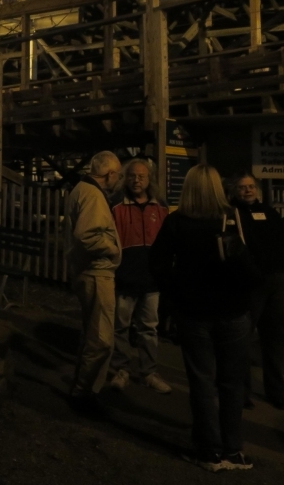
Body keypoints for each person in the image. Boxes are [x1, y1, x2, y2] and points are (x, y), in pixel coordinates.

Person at [150, 164, 256, 471]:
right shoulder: (232, 219)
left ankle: (209, 450)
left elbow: (157, 265)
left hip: (194, 311)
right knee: (232, 382)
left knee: (202, 381)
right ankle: (233, 449)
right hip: (233, 309)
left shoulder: (177, 222)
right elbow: (251, 266)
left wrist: (175, 294)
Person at [231, 173, 284, 410]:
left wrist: (279, 265)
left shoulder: (269, 212)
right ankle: (242, 392)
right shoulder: (231, 214)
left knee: (275, 338)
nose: (247, 190)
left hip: (274, 281)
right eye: (242, 187)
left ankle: (277, 391)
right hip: (250, 284)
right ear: (234, 190)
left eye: (250, 186)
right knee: (243, 340)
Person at [65, 150, 124, 408]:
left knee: (91, 335)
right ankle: (83, 393)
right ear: (109, 174)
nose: (118, 180)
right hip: (97, 272)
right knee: (101, 339)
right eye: (118, 175)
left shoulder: (81, 189)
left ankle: (85, 389)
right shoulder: (93, 195)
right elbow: (86, 235)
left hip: (88, 271)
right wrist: (112, 247)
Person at [108, 159, 172, 394]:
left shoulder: (161, 207)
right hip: (124, 278)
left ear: (149, 179)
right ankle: (120, 370)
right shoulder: (115, 205)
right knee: (120, 327)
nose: (137, 180)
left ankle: (149, 373)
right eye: (133, 176)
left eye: (141, 176)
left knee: (149, 328)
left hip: (152, 280)